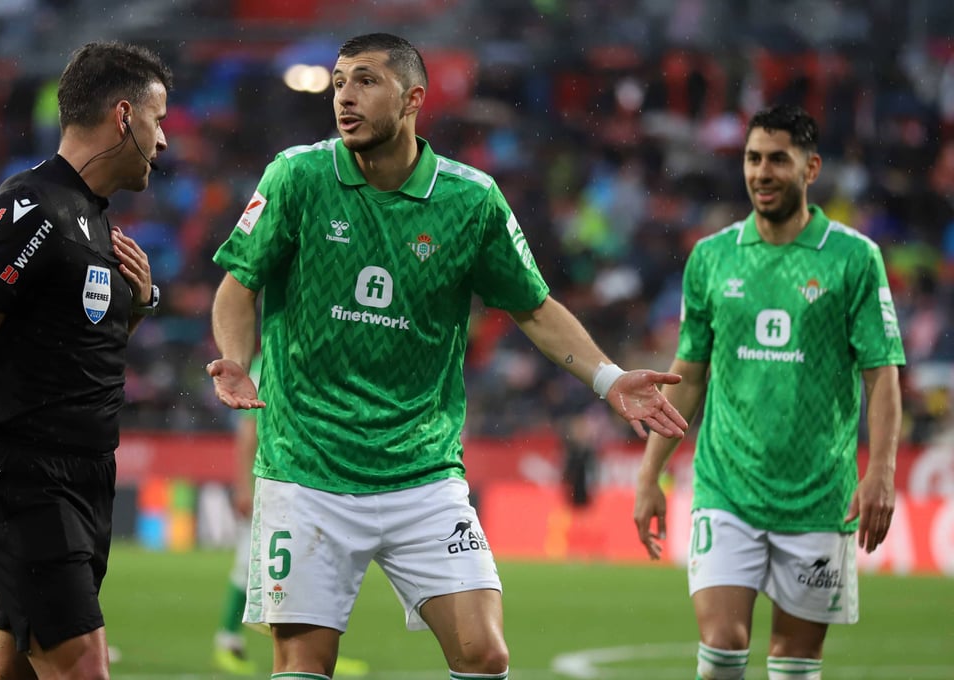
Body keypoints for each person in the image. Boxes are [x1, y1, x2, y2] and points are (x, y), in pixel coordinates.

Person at [207, 33, 689, 680]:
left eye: (366, 81)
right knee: (303, 662)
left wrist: (608, 378)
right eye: (340, 81)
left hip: (423, 472)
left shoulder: (471, 200)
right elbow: (238, 284)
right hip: (306, 470)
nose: (345, 96)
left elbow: (533, 307)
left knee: (484, 654)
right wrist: (237, 359)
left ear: (413, 99)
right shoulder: (298, 176)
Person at [0, 41, 170, 680]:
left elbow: (75, 353)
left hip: (84, 480)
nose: (163, 141)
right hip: (26, 481)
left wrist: (137, 306)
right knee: (83, 670)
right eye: (158, 120)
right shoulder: (32, 207)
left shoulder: (95, 223)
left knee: (15, 670)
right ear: (124, 116)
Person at [632, 105, 905, 680]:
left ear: (811, 168)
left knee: (794, 663)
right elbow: (689, 373)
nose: (762, 172)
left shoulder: (854, 258)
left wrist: (881, 470)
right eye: (753, 158)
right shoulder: (712, 257)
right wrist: (649, 472)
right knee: (722, 649)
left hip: (819, 498)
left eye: (778, 159)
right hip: (726, 488)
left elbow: (881, 372)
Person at [212, 355, 369, 677]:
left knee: (317, 564)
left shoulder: (317, 358)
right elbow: (248, 430)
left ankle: (319, 648)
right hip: (274, 480)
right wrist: (244, 486)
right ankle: (228, 641)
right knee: (250, 564)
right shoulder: (269, 362)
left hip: (312, 480)